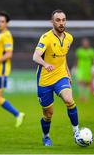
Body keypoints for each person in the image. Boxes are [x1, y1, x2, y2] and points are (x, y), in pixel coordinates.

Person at [33, 9, 80, 146]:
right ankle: (46, 136)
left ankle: (76, 132)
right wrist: (45, 64)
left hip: (61, 75)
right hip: (45, 80)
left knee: (69, 100)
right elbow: (35, 56)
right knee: (48, 114)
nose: (61, 23)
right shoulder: (46, 38)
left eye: (63, 20)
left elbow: (62, 56)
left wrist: (68, 73)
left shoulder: (69, 38)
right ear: (52, 22)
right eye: (58, 20)